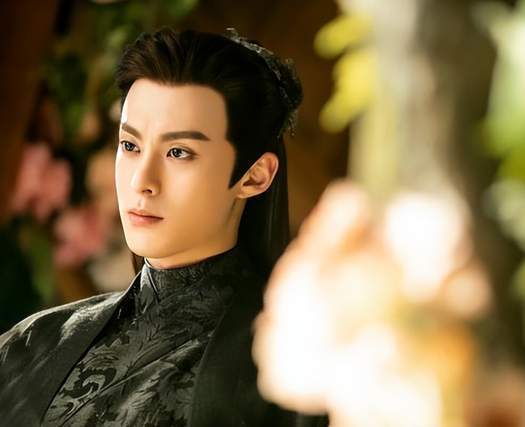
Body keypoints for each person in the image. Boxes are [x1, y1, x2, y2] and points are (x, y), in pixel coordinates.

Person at [0, 27, 329, 427]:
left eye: (178, 152)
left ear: (254, 175)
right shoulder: (32, 344)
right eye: (130, 146)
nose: (142, 181)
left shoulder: (291, 372)